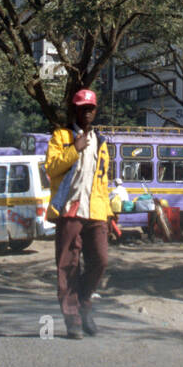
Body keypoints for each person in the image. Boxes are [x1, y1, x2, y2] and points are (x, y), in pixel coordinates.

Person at [45, 89, 112, 339]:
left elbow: (103, 179)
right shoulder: (61, 136)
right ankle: (72, 317)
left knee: (101, 260)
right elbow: (51, 168)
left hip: (95, 210)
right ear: (75, 110)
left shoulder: (101, 142)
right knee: (68, 264)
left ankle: (83, 302)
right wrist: (74, 148)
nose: (87, 112)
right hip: (70, 208)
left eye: (91, 108)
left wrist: (109, 213)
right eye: (83, 108)